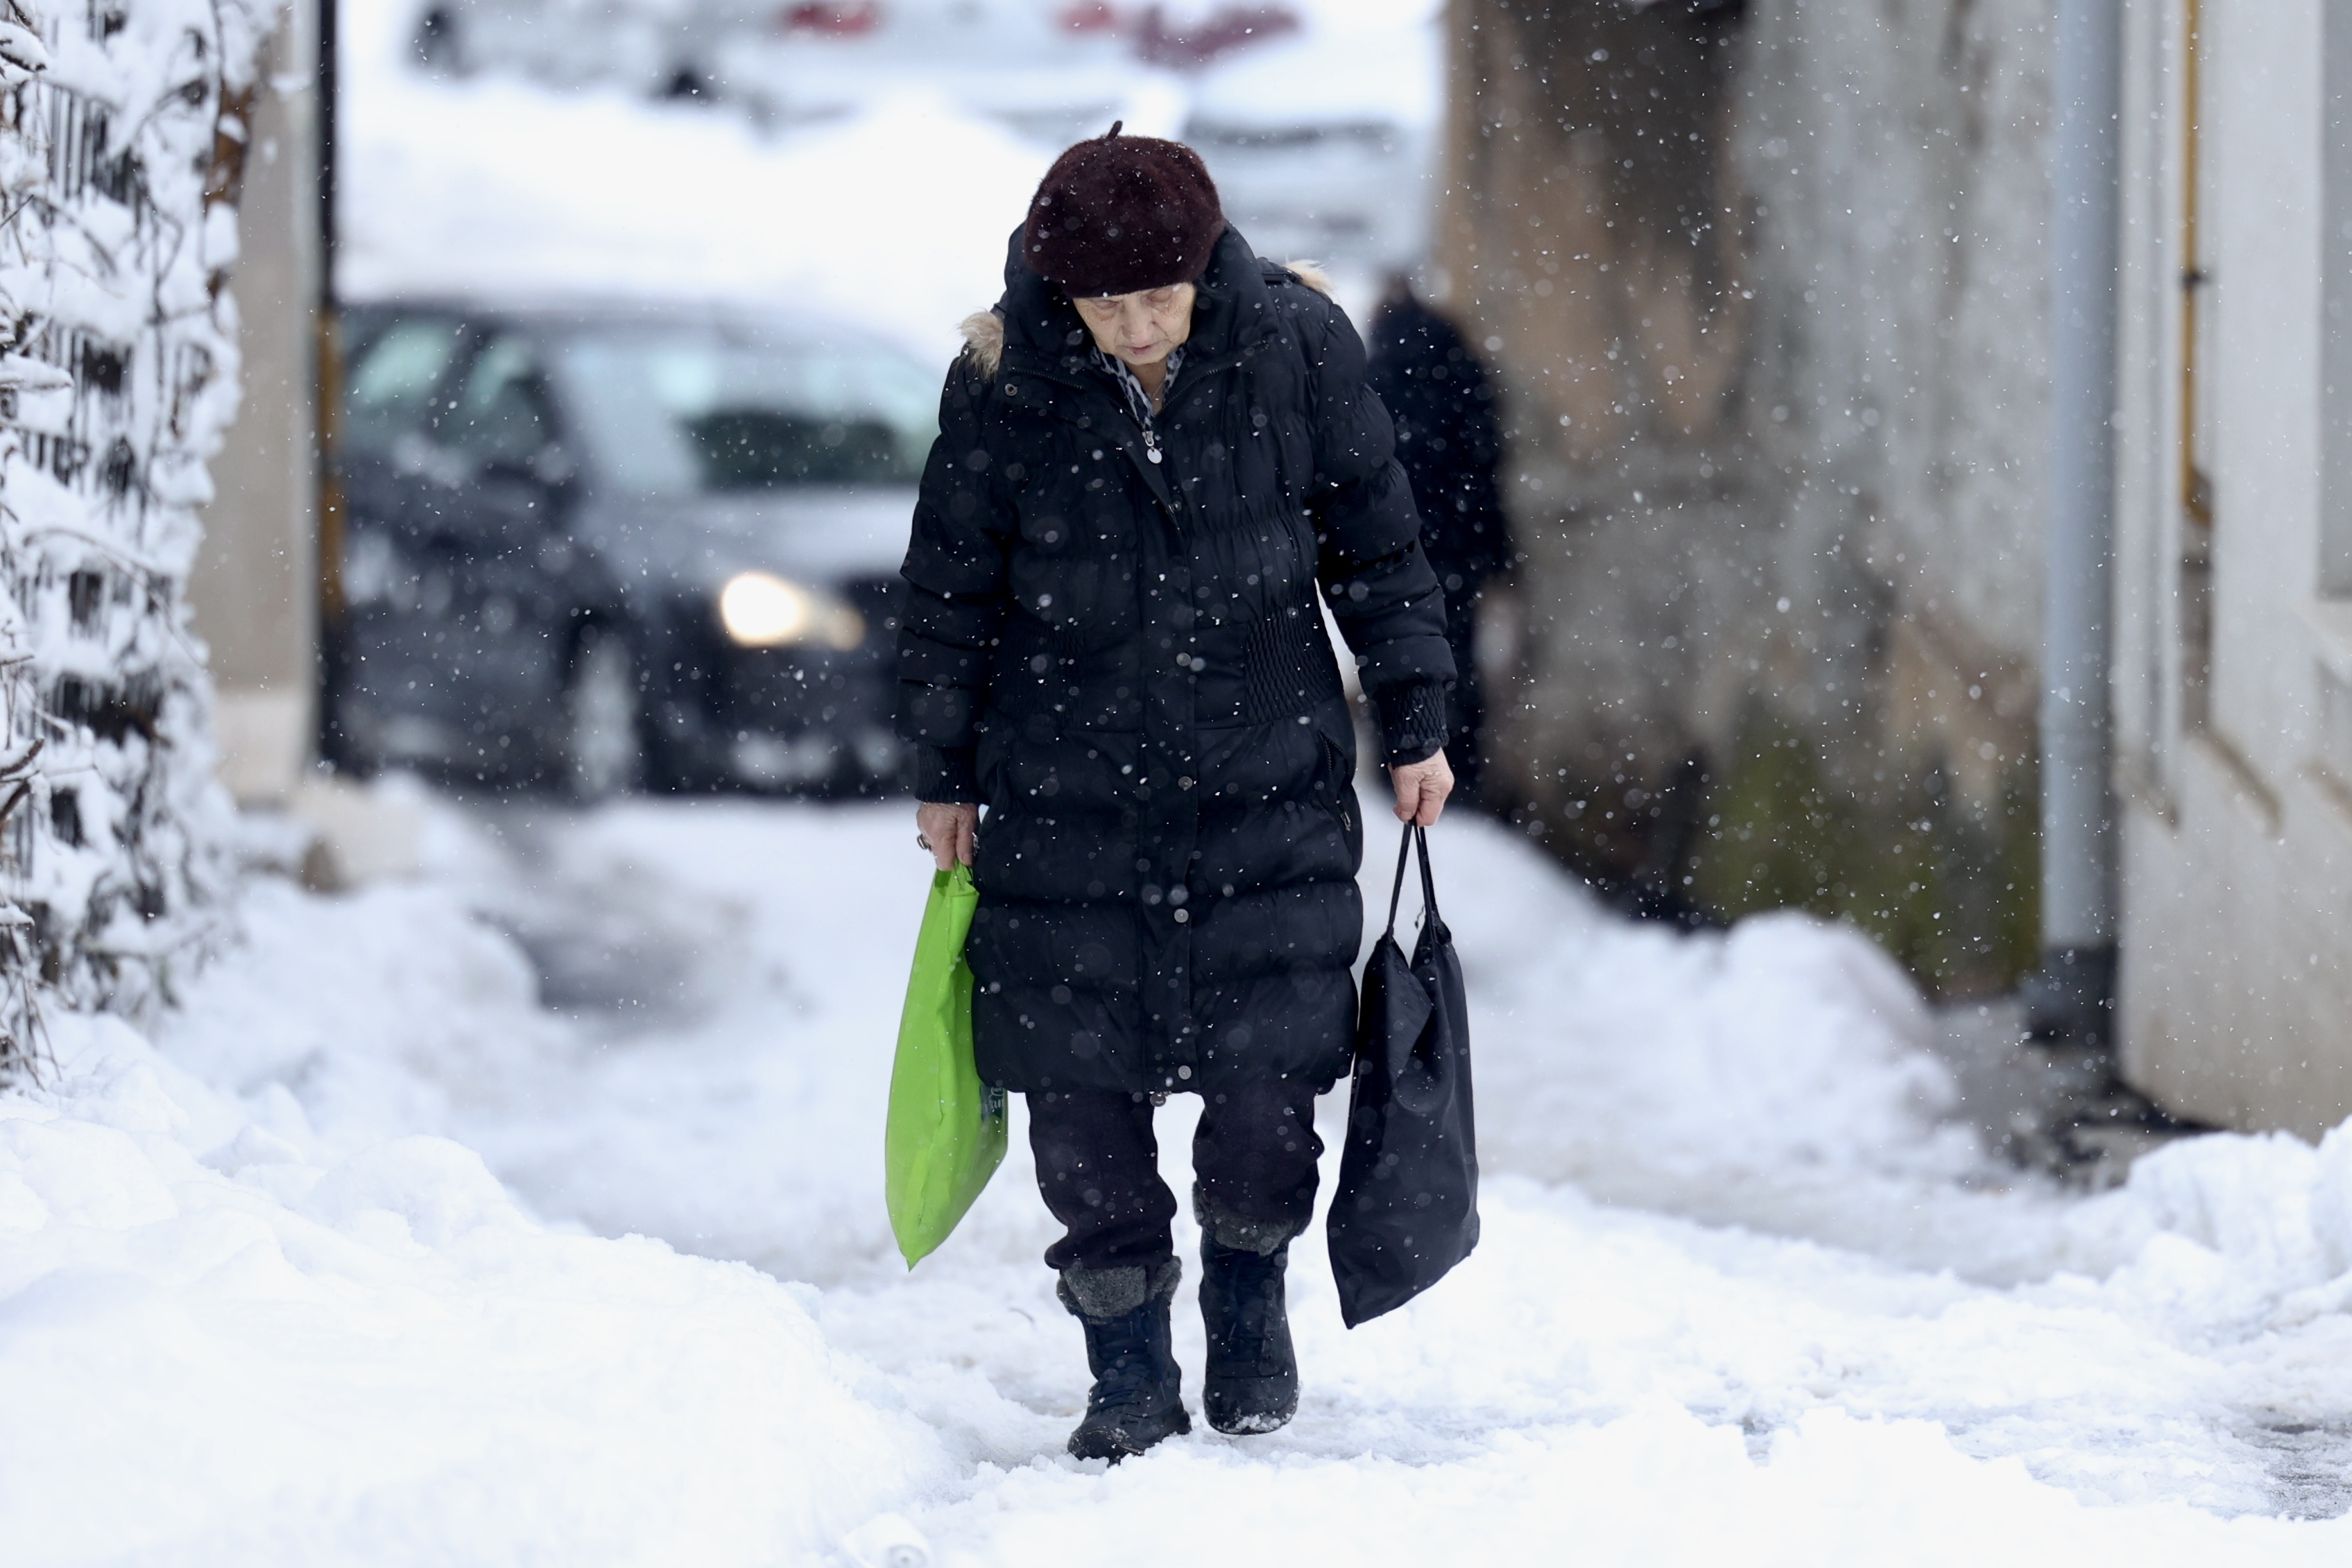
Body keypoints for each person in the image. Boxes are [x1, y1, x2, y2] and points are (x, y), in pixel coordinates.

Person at [893, 126, 1456, 1461]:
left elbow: (1376, 540)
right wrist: (942, 768)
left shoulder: (1298, 349)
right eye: (1106, 303)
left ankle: (1250, 1300)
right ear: (1058, 290)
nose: (1136, 327)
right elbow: (948, 590)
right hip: (1061, 787)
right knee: (1078, 1106)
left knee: (1270, 1089)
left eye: (1159, 296)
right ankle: (1127, 1366)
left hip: (1263, 779)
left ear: (1206, 268)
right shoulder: (1003, 382)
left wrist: (1417, 721)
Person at [1364, 277, 1513, 808]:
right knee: (1458, 658)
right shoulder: (1460, 364)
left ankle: (1401, 765)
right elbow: (1486, 455)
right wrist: (1494, 545)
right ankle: (1462, 770)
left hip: (1404, 545)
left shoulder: (1374, 371)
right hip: (1459, 539)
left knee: (1399, 655)